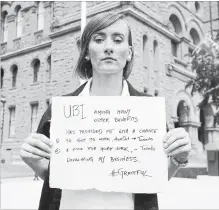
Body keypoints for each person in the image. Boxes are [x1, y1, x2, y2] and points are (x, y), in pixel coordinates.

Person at [20, 12, 191, 210]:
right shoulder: (59, 111)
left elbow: (155, 176)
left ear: (129, 53)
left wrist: (179, 157)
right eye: (99, 39)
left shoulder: (149, 112)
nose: (108, 47)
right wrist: (33, 160)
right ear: (86, 52)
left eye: (117, 40)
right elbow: (54, 177)